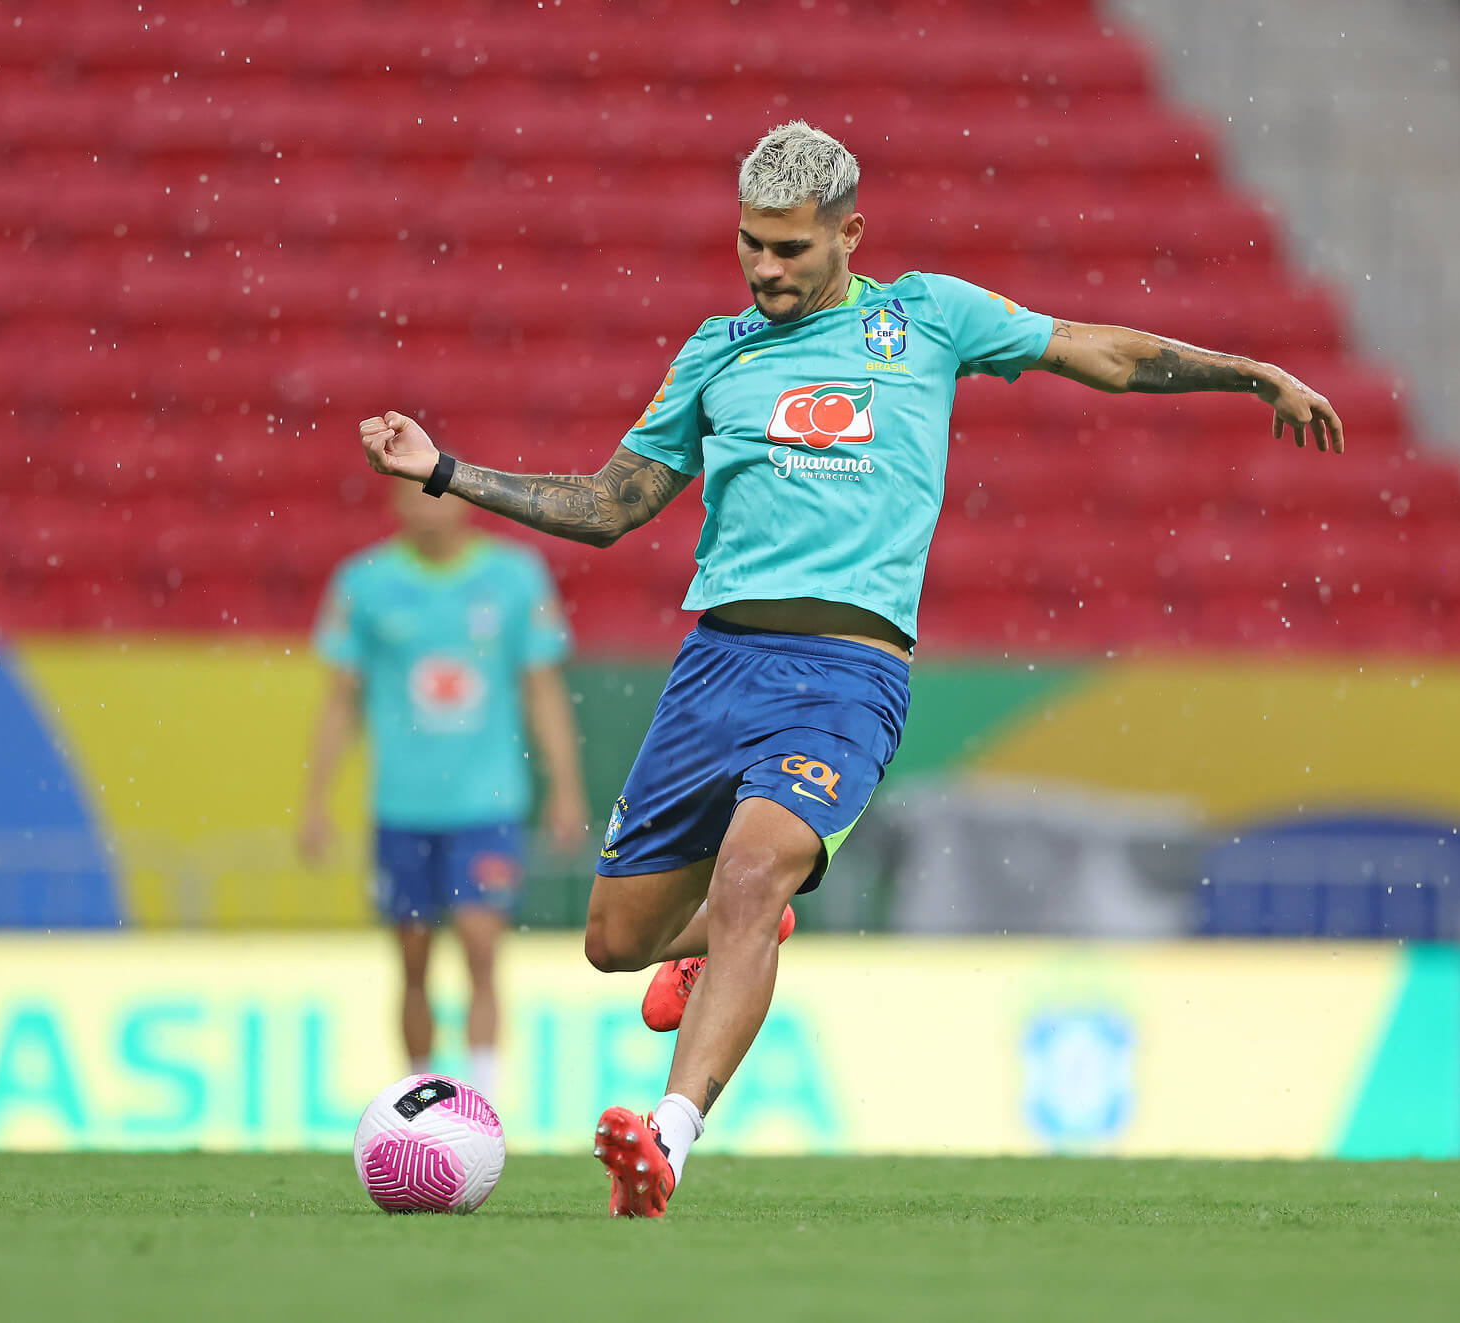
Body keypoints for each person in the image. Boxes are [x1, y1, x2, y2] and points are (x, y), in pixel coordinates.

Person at [356, 121, 1344, 1216]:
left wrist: (1246, 374)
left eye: (790, 248)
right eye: (751, 246)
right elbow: (608, 507)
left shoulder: (923, 316)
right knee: (611, 941)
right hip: (716, 667)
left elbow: (1097, 354)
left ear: (848, 234)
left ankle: (665, 1140)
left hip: (845, 672)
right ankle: (748, 936)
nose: (766, 269)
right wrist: (444, 471)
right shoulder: (714, 353)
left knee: (749, 868)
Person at [298, 482, 588, 1103]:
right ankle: (419, 1095)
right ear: (394, 504)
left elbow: (543, 687)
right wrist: (316, 801)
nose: (429, 507)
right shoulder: (364, 584)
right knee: (412, 959)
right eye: (414, 496)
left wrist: (566, 787)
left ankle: (481, 1097)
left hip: (487, 803)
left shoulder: (515, 577)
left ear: (462, 500)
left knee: (482, 945)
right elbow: (339, 701)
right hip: (403, 805)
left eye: (438, 493)